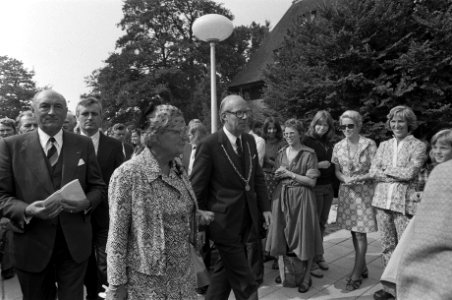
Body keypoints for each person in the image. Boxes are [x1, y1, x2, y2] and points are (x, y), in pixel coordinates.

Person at [0, 89, 105, 300]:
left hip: (74, 245)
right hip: (31, 243)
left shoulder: (82, 144)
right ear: (33, 110)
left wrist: (86, 202)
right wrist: (27, 209)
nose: (51, 111)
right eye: (45, 106)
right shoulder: (10, 146)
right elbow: (2, 195)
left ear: (66, 112)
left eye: (58, 107)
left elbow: (98, 187)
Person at [106, 104, 211, 300]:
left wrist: (196, 216)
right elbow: (116, 238)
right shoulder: (128, 174)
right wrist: (116, 287)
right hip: (147, 287)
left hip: (184, 281)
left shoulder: (177, 167)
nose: (185, 136)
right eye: (176, 131)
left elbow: (179, 207)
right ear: (155, 135)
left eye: (185, 130)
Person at [190, 95, 271, 300]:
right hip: (222, 223)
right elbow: (197, 189)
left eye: (247, 112)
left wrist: (266, 208)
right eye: (239, 113)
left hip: (247, 219)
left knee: (222, 275)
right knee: (246, 283)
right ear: (224, 116)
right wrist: (198, 227)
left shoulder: (250, 141)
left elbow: (257, 178)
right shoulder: (209, 145)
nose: (245, 117)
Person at [370, 105, 427, 300]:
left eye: (400, 121)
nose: (396, 125)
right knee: (387, 246)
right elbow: (373, 171)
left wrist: (386, 170)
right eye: (393, 121)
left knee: (405, 248)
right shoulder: (384, 145)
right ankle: (389, 289)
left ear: (408, 123)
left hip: (404, 203)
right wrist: (394, 173)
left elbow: (411, 172)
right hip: (382, 201)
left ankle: (406, 289)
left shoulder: (417, 146)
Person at [76, 97, 125, 300]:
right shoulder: (68, 144)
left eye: (94, 114)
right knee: (84, 262)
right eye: (85, 114)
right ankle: (90, 294)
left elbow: (121, 181)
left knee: (107, 264)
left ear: (101, 117)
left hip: (106, 217)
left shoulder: (113, 146)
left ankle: (103, 296)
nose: (89, 118)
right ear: (77, 117)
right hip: (77, 216)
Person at [267, 118, 322, 293]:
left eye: (292, 133)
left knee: (304, 235)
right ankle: (287, 270)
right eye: (286, 133)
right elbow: (277, 174)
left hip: (302, 198)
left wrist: (289, 173)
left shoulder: (309, 154)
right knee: (282, 235)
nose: (288, 136)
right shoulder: (281, 152)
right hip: (282, 197)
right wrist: (278, 175)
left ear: (300, 134)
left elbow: (311, 182)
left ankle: (306, 277)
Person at [331, 110, 378, 291]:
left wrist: (358, 179)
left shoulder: (369, 144)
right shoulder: (338, 146)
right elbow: (337, 172)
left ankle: (357, 273)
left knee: (360, 233)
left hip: (364, 193)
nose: (346, 129)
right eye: (343, 126)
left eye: (350, 125)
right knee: (353, 231)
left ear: (358, 125)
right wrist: (345, 179)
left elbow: (375, 171)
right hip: (347, 193)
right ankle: (363, 266)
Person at [396, 159, 452, 299]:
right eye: (435, 147)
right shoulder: (437, 170)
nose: (437, 151)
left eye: (443, 147)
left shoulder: (444, 172)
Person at [303, 110, 335, 276]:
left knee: (322, 224)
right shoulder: (307, 141)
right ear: (314, 124)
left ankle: (318, 255)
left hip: (328, 188)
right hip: (314, 188)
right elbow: (299, 164)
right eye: (319, 124)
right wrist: (317, 165)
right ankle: (309, 262)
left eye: (325, 125)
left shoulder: (329, 142)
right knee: (312, 225)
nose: (322, 128)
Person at [262, 117, 285, 269]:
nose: (271, 131)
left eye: (274, 128)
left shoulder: (282, 144)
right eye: (269, 128)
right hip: (263, 182)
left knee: (277, 219)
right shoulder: (261, 142)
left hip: (277, 181)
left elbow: (282, 164)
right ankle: (267, 250)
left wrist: (267, 160)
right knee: (265, 219)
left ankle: (278, 254)